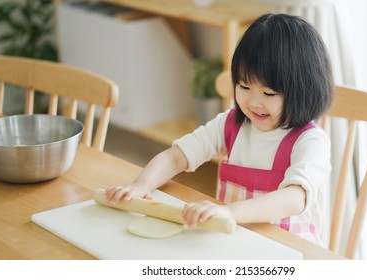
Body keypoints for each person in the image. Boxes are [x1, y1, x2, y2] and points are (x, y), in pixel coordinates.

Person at [105, 13, 333, 246]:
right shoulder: (232, 124)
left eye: (269, 93)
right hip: (233, 240)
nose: (254, 102)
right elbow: (176, 157)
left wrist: (231, 212)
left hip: (289, 250)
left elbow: (295, 198)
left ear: (304, 90)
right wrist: (141, 185)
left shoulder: (310, 142)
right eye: (244, 86)